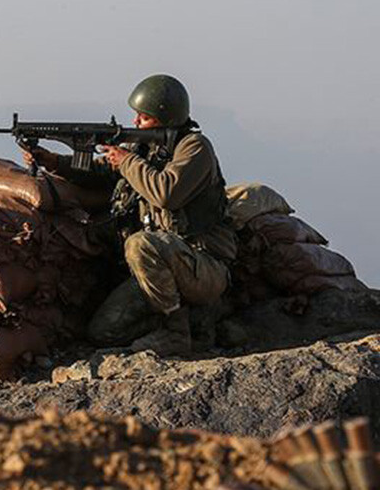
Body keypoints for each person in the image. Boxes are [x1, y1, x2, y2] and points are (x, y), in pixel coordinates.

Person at [21, 74, 236, 354]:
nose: (135, 122)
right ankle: (193, 321)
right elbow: (102, 172)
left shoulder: (194, 148)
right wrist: (55, 162)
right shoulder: (144, 148)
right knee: (104, 331)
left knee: (139, 243)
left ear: (165, 118)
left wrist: (127, 161)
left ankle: (176, 333)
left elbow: (166, 193)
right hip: (157, 268)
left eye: (143, 118)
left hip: (202, 264)